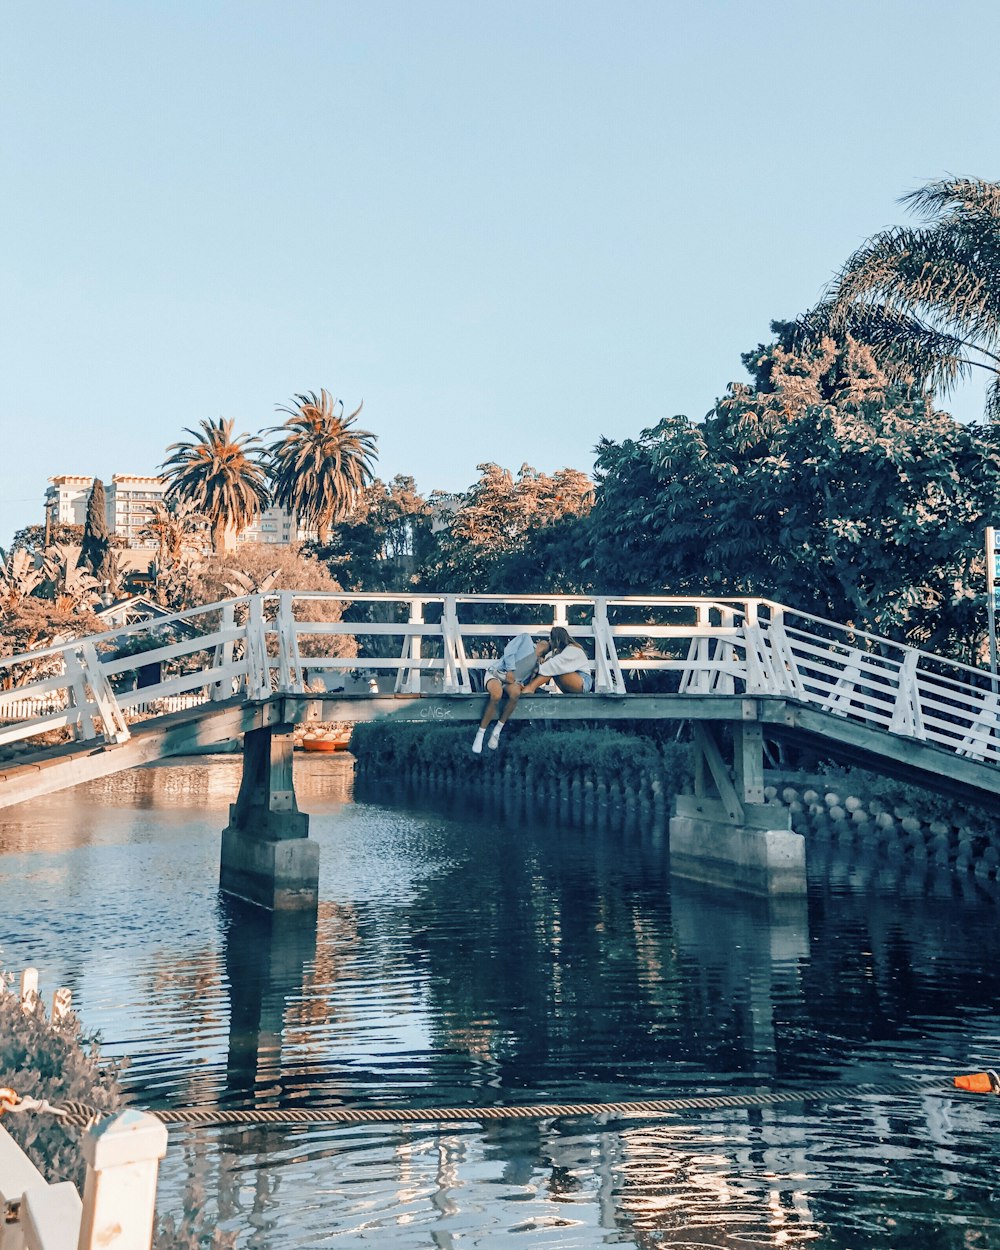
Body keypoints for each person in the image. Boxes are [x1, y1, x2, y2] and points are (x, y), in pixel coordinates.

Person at [471, 632, 547, 754]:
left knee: (515, 694)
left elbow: (531, 681)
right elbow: (509, 650)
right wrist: (510, 670)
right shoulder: (526, 639)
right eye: (545, 641)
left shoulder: (539, 663)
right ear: (538, 642)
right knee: (496, 694)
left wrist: (537, 669)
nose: (546, 643)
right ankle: (480, 733)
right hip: (498, 673)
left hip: (512, 682)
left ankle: (497, 730)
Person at [521, 626, 593, 695]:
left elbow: (554, 665)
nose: (550, 643)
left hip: (583, 682)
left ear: (556, 640)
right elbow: (549, 664)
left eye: (550, 640)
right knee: (552, 666)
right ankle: (529, 686)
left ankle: (531, 687)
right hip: (575, 681)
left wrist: (538, 668)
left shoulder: (573, 650)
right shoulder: (560, 653)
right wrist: (541, 661)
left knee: (553, 667)